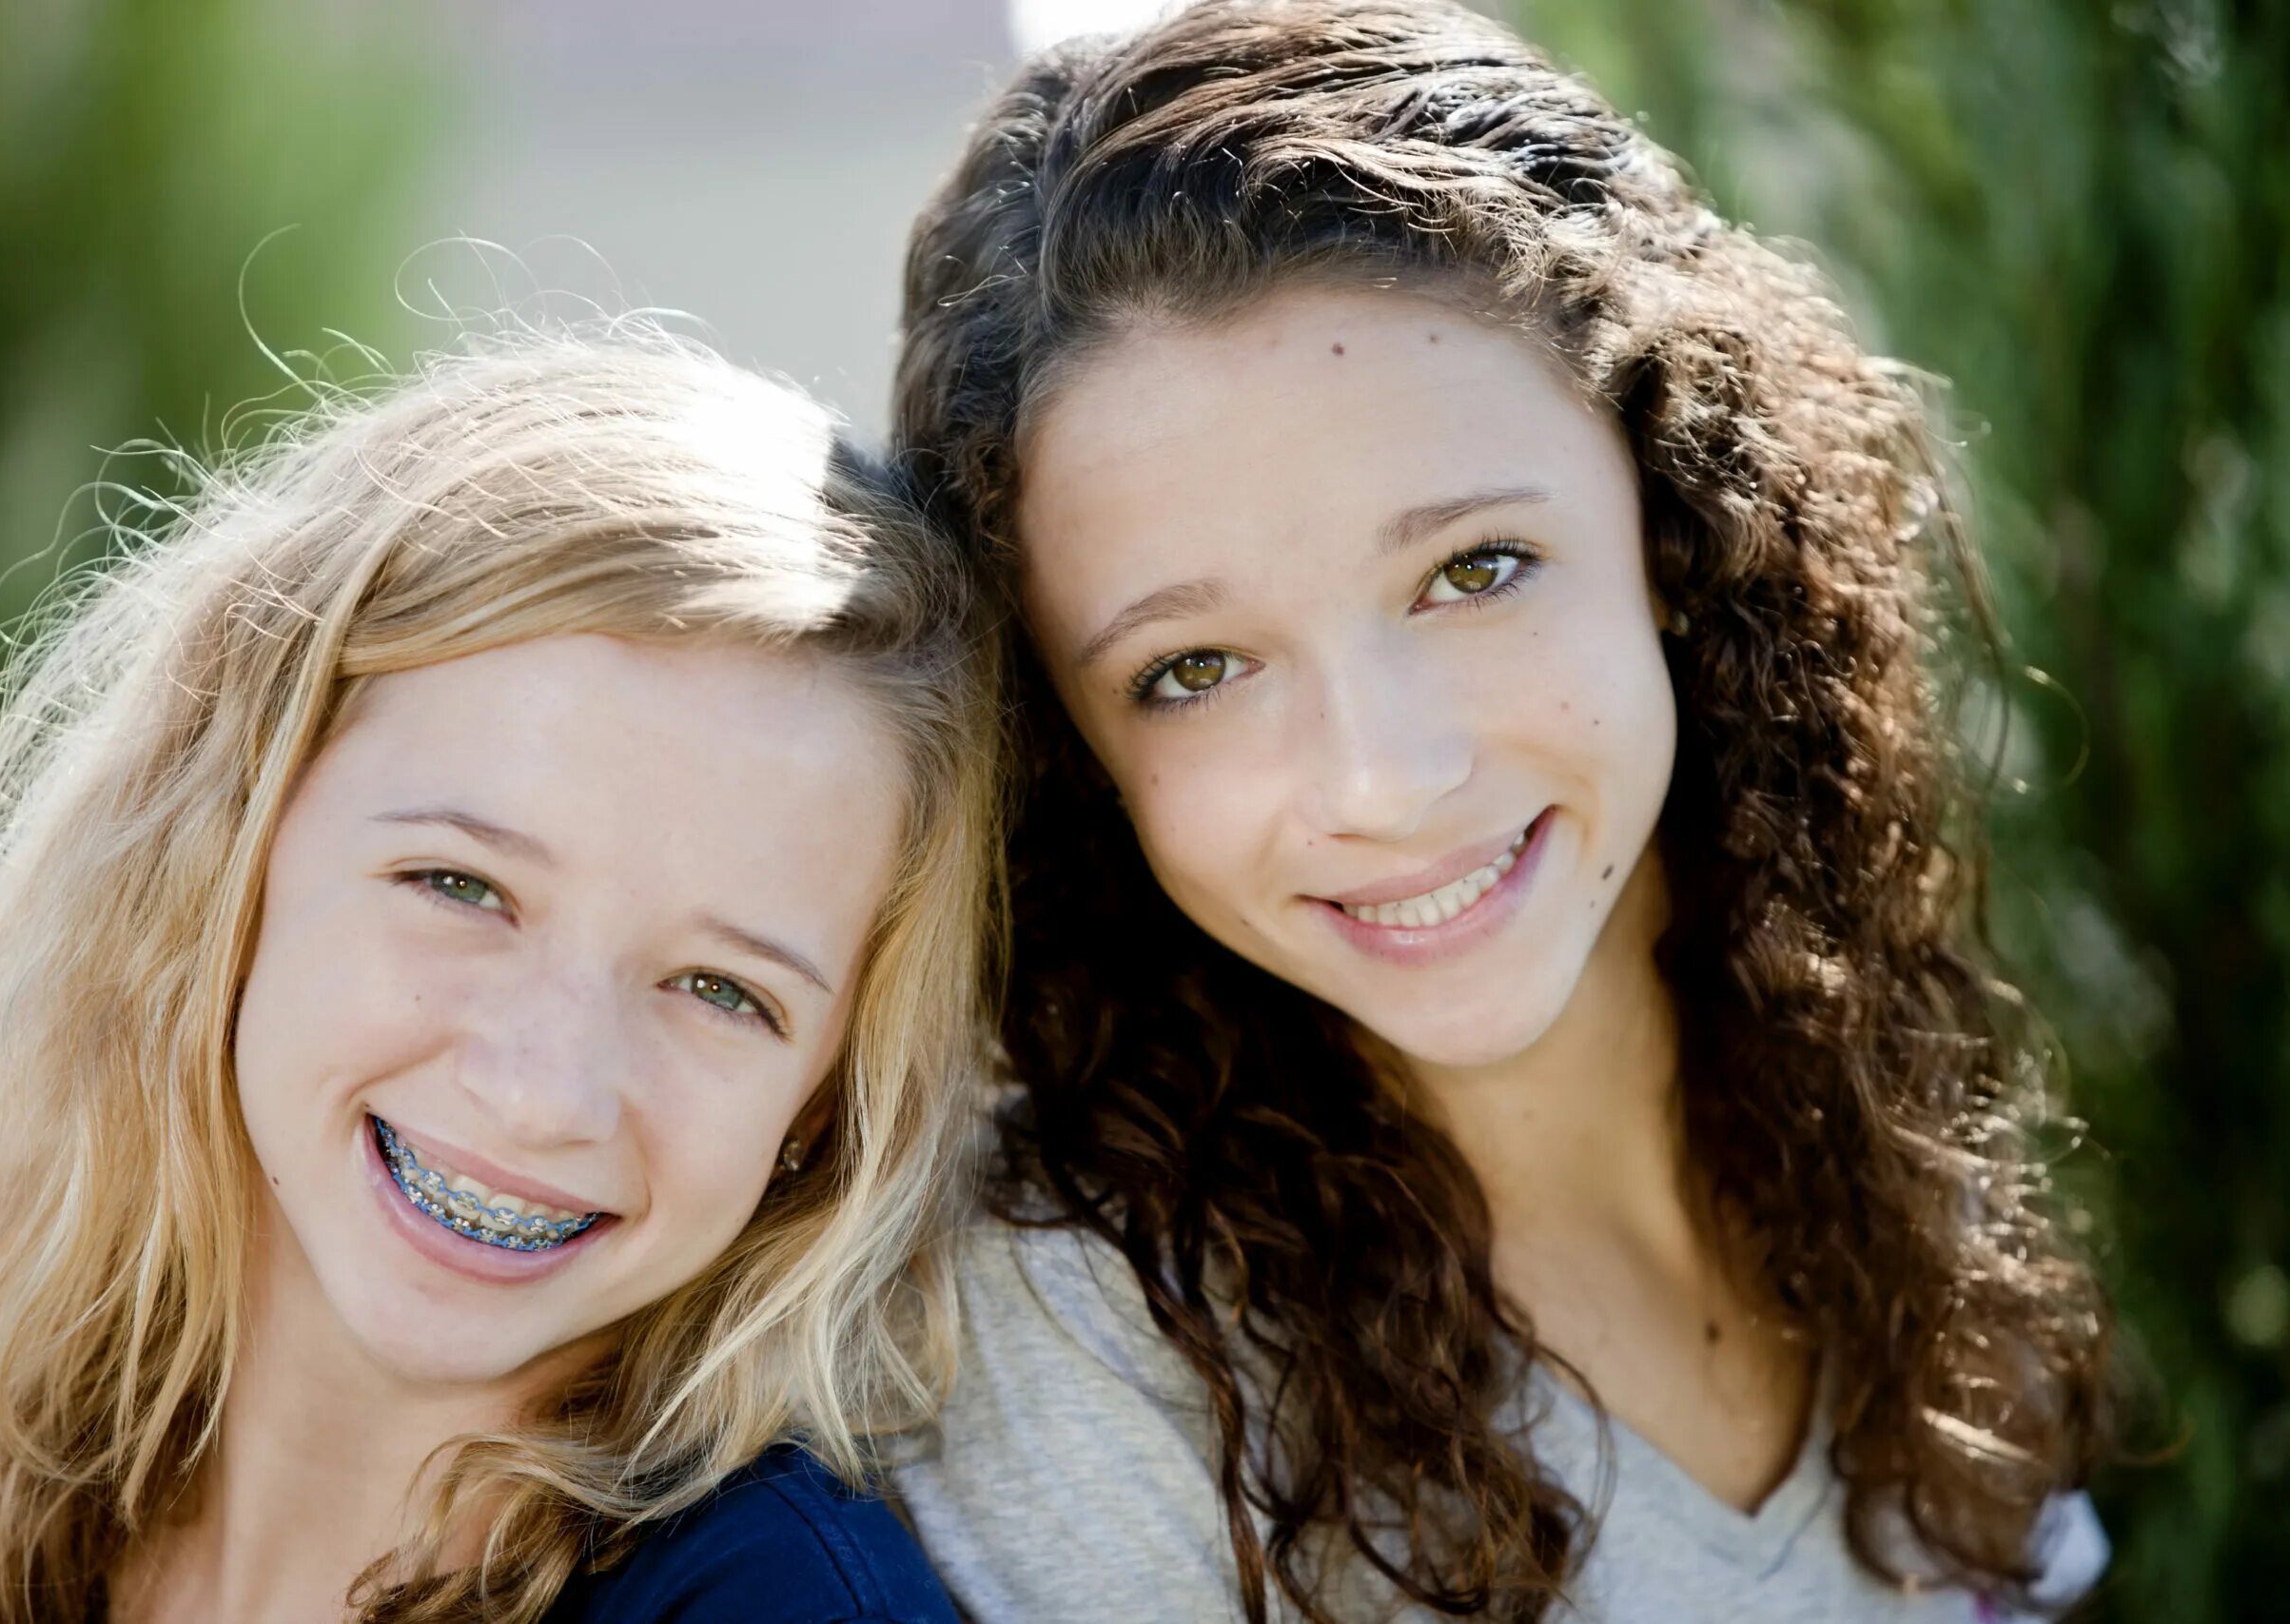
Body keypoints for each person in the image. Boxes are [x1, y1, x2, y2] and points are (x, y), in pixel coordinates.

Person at [885, 2, 2112, 1619]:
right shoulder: (1078, 1347)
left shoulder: (1885, 1159)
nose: (1384, 776)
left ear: (1676, 512)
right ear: (1070, 748)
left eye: (1475, 570)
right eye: (1195, 668)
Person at [0, 327, 1000, 1623]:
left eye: (722, 991)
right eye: (463, 888)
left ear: (824, 1103)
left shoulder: (778, 1606)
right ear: (228, 844)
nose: (542, 1091)